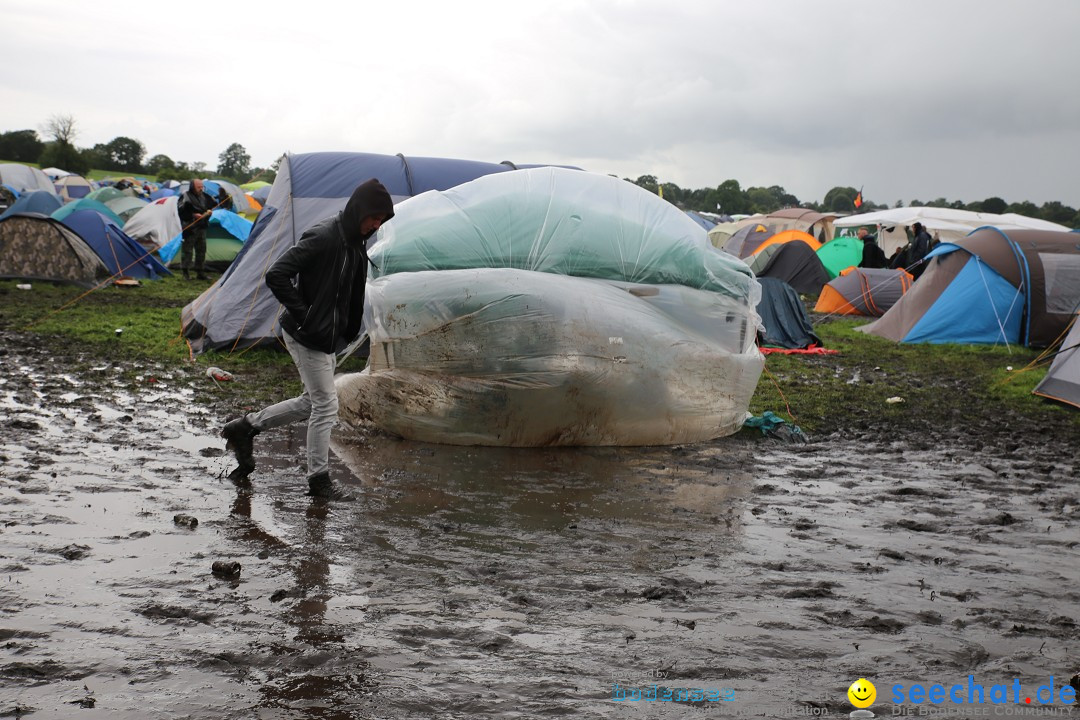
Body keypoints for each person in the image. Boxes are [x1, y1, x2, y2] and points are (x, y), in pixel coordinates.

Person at [221, 179, 395, 501]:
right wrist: (307, 314)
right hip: (305, 333)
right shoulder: (325, 236)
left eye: (382, 220)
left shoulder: (356, 241)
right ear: (361, 210)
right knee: (327, 405)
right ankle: (319, 482)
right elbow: (277, 273)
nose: (377, 224)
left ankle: (244, 428)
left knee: (310, 402)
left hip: (326, 337)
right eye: (374, 217)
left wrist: (347, 329)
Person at [177, 179, 217, 280]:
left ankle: (200, 272)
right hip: (190, 227)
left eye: (202, 186)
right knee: (188, 251)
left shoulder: (204, 196)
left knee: (201, 250)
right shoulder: (185, 196)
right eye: (198, 187)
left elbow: (212, 204)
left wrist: (208, 213)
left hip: (202, 227)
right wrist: (193, 215)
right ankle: (186, 273)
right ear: (192, 186)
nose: (201, 189)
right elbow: (180, 210)